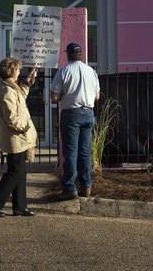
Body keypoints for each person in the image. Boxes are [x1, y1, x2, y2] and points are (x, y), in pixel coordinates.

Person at [0, 58, 38, 218]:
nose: (20, 72)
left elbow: (21, 97)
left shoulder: (10, 87)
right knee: (14, 172)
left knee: (19, 172)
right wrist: (24, 127)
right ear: (11, 71)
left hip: (18, 137)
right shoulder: (7, 91)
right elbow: (11, 118)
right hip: (15, 137)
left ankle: (20, 207)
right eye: (18, 70)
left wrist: (28, 82)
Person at [50, 43, 100, 201]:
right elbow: (97, 96)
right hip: (88, 112)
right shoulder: (91, 71)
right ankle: (86, 185)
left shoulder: (63, 72)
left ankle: (69, 188)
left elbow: (54, 97)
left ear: (68, 55)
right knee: (85, 151)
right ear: (81, 55)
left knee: (70, 152)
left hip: (71, 113)